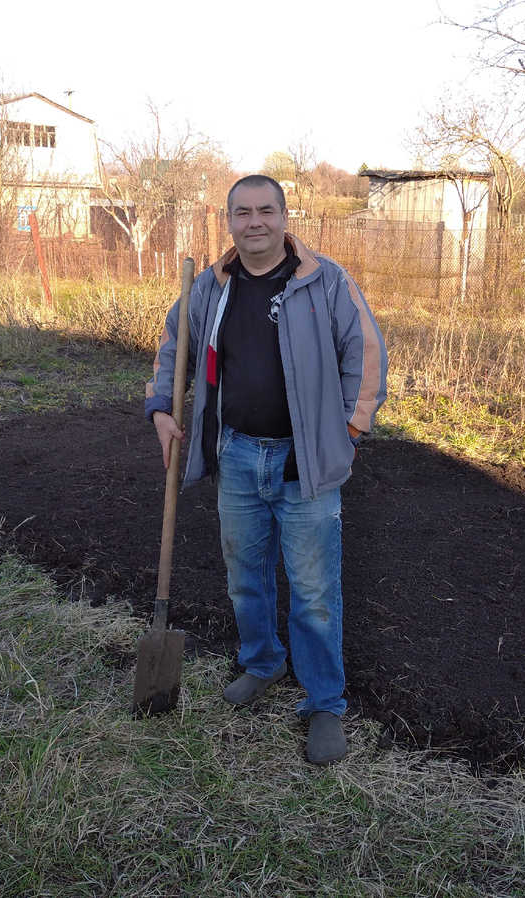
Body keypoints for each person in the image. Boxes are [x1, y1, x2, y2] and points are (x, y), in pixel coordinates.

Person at [145, 174, 388, 765]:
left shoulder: (324, 282)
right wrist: (161, 408)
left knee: (314, 589)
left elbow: (366, 355)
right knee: (244, 575)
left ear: (284, 216)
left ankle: (324, 702)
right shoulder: (210, 287)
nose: (255, 222)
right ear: (228, 220)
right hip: (236, 454)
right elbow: (175, 347)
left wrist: (350, 430)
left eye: (266, 210)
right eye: (243, 212)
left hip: (305, 462)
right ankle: (263, 662)